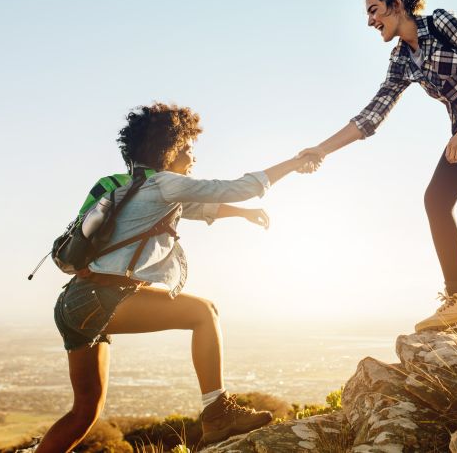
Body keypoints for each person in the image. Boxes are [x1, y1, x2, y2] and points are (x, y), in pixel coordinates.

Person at [38, 102, 318, 452]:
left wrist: (243, 214)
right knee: (204, 312)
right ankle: (218, 412)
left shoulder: (131, 185)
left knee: (84, 412)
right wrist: (293, 163)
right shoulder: (165, 185)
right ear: (168, 150)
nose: (192, 156)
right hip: (102, 299)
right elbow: (238, 187)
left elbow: (201, 208)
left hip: (73, 303)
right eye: (187, 147)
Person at [298, 0, 457, 346]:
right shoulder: (402, 60)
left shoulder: (442, 24)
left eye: (374, 10)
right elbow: (371, 116)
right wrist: (320, 150)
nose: (370, 21)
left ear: (395, 5)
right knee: (436, 199)